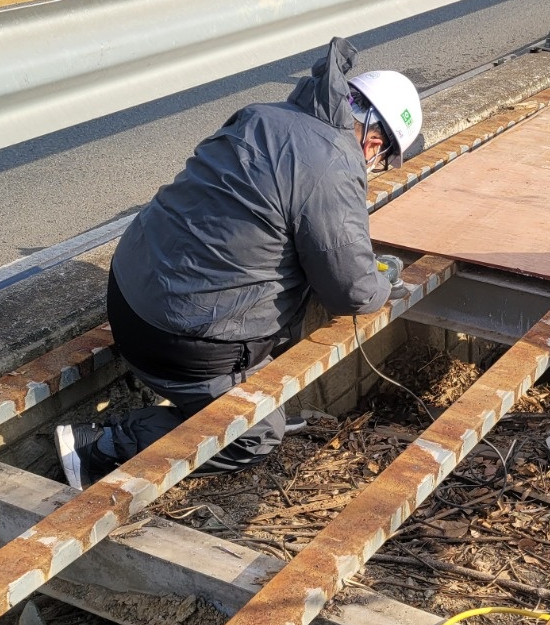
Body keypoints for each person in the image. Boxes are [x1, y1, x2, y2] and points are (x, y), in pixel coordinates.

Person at [54, 37, 423, 489]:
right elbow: (353, 292)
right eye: (384, 158)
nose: (375, 165)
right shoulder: (335, 163)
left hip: (127, 297)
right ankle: (98, 446)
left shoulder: (265, 115)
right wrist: (386, 284)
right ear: (375, 140)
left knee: (290, 273)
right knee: (254, 436)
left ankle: (240, 388)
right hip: (178, 343)